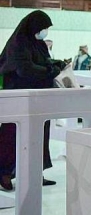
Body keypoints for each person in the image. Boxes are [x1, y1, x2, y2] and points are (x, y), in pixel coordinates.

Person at [0, 10, 64, 190]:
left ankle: (36, 172)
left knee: (39, 135)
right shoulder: (18, 44)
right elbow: (24, 69)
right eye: (43, 28)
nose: (45, 31)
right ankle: (4, 173)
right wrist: (50, 70)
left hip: (38, 99)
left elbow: (45, 62)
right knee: (12, 135)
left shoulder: (39, 44)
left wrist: (55, 64)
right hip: (18, 99)